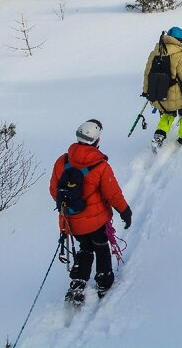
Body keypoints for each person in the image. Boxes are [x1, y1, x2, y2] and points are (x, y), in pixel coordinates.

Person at [50, 119, 132, 305]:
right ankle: (104, 280)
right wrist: (125, 211)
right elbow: (113, 194)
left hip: (70, 221)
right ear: (96, 141)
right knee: (100, 246)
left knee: (85, 248)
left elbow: (54, 191)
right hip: (96, 222)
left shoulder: (62, 161)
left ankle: (79, 280)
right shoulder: (100, 165)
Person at [142, 26, 182, 149]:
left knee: (168, 114)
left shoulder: (154, 52)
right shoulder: (179, 55)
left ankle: (159, 134)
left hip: (160, 92)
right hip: (178, 93)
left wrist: (146, 92)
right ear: (180, 40)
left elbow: (147, 74)